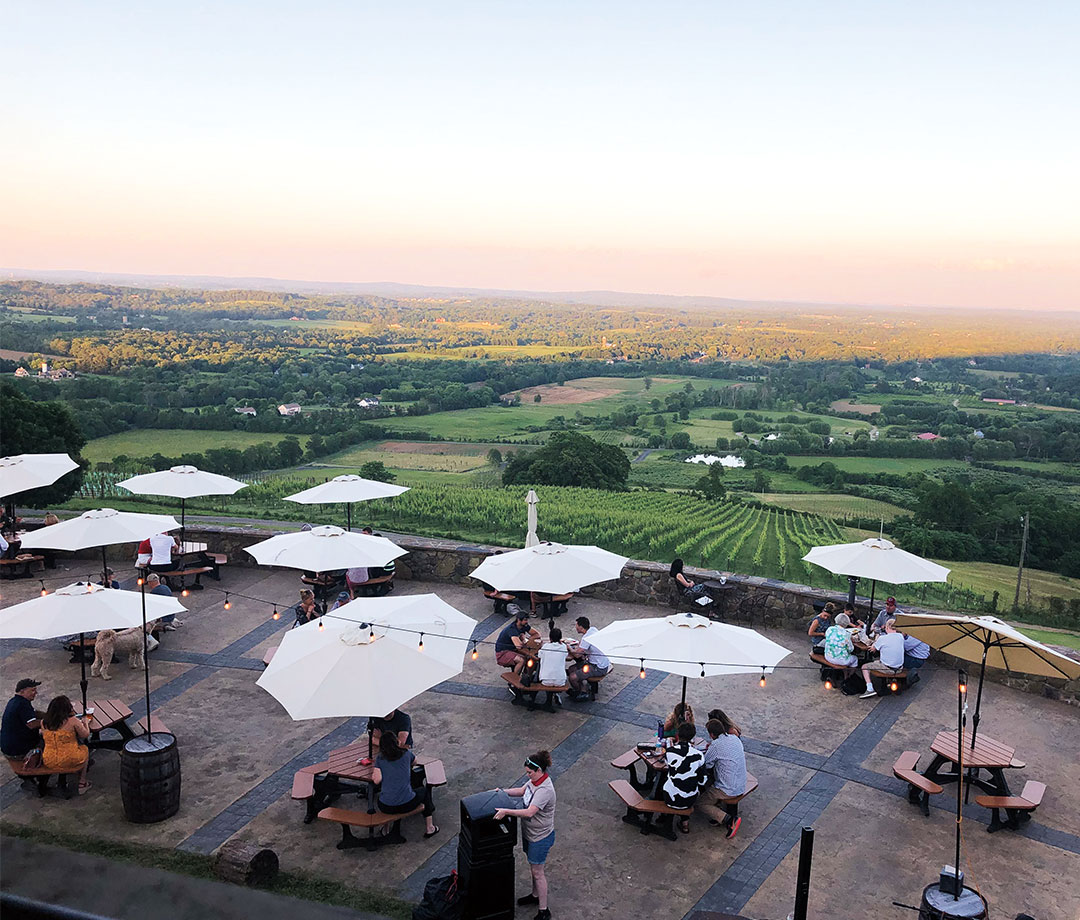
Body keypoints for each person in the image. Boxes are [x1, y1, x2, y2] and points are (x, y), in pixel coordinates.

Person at [494, 750, 556, 920]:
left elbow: (529, 813)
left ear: (539, 771)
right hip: (531, 834)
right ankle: (534, 896)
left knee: (538, 872)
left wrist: (506, 811)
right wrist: (502, 792)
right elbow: (522, 791)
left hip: (540, 837)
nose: (528, 775)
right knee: (533, 868)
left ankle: (544, 910)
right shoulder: (534, 782)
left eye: (530, 772)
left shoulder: (545, 790)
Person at [372, 731, 438, 838]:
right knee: (424, 791)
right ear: (397, 742)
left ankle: (386, 828)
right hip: (407, 803)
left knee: (384, 795)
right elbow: (415, 762)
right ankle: (430, 827)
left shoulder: (380, 759)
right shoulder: (406, 754)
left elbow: (376, 780)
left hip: (386, 806)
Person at [699, 712, 748, 838]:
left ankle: (728, 819)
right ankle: (719, 815)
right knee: (713, 782)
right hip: (741, 783)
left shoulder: (716, 745)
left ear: (711, 734)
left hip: (728, 789)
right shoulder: (734, 738)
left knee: (700, 803)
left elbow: (706, 765)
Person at [659, 722, 706, 833]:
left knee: (664, 781)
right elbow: (703, 781)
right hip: (690, 799)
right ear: (692, 736)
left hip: (670, 798)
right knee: (686, 787)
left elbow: (666, 764)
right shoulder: (699, 755)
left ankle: (662, 816)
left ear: (677, 735)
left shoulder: (670, 752)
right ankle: (685, 823)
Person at [40, 695, 91, 794]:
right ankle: (82, 782)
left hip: (49, 759)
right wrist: (86, 723)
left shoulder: (44, 722)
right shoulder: (72, 721)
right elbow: (85, 734)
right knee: (84, 749)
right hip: (69, 758)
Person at [860, 618, 906, 699]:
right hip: (899, 668)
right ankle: (887, 682)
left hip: (888, 668)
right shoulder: (900, 637)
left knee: (864, 667)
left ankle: (870, 688)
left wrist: (876, 640)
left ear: (887, 627)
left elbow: (873, 649)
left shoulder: (883, 638)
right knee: (877, 661)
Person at [566, 616, 610, 700]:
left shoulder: (586, 638)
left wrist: (569, 648)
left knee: (572, 677)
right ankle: (583, 688)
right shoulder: (593, 630)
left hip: (598, 667)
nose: (575, 627)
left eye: (576, 625)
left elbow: (577, 655)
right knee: (571, 669)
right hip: (600, 662)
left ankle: (581, 693)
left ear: (581, 627)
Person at [1, 679, 43, 759]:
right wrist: (52, 721)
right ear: (22, 691)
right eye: (32, 690)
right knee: (51, 742)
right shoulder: (23, 704)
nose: (36, 693)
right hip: (18, 750)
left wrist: (50, 714)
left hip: (8, 747)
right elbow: (32, 724)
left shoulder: (14, 701)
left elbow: (35, 713)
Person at [494, 607, 540, 676]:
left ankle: (526, 675)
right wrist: (523, 639)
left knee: (529, 657)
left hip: (513, 649)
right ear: (519, 620)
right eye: (525, 620)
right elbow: (518, 646)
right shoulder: (512, 629)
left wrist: (527, 639)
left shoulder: (524, 625)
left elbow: (537, 634)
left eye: (527, 619)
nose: (526, 621)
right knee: (521, 660)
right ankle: (515, 679)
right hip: (502, 652)